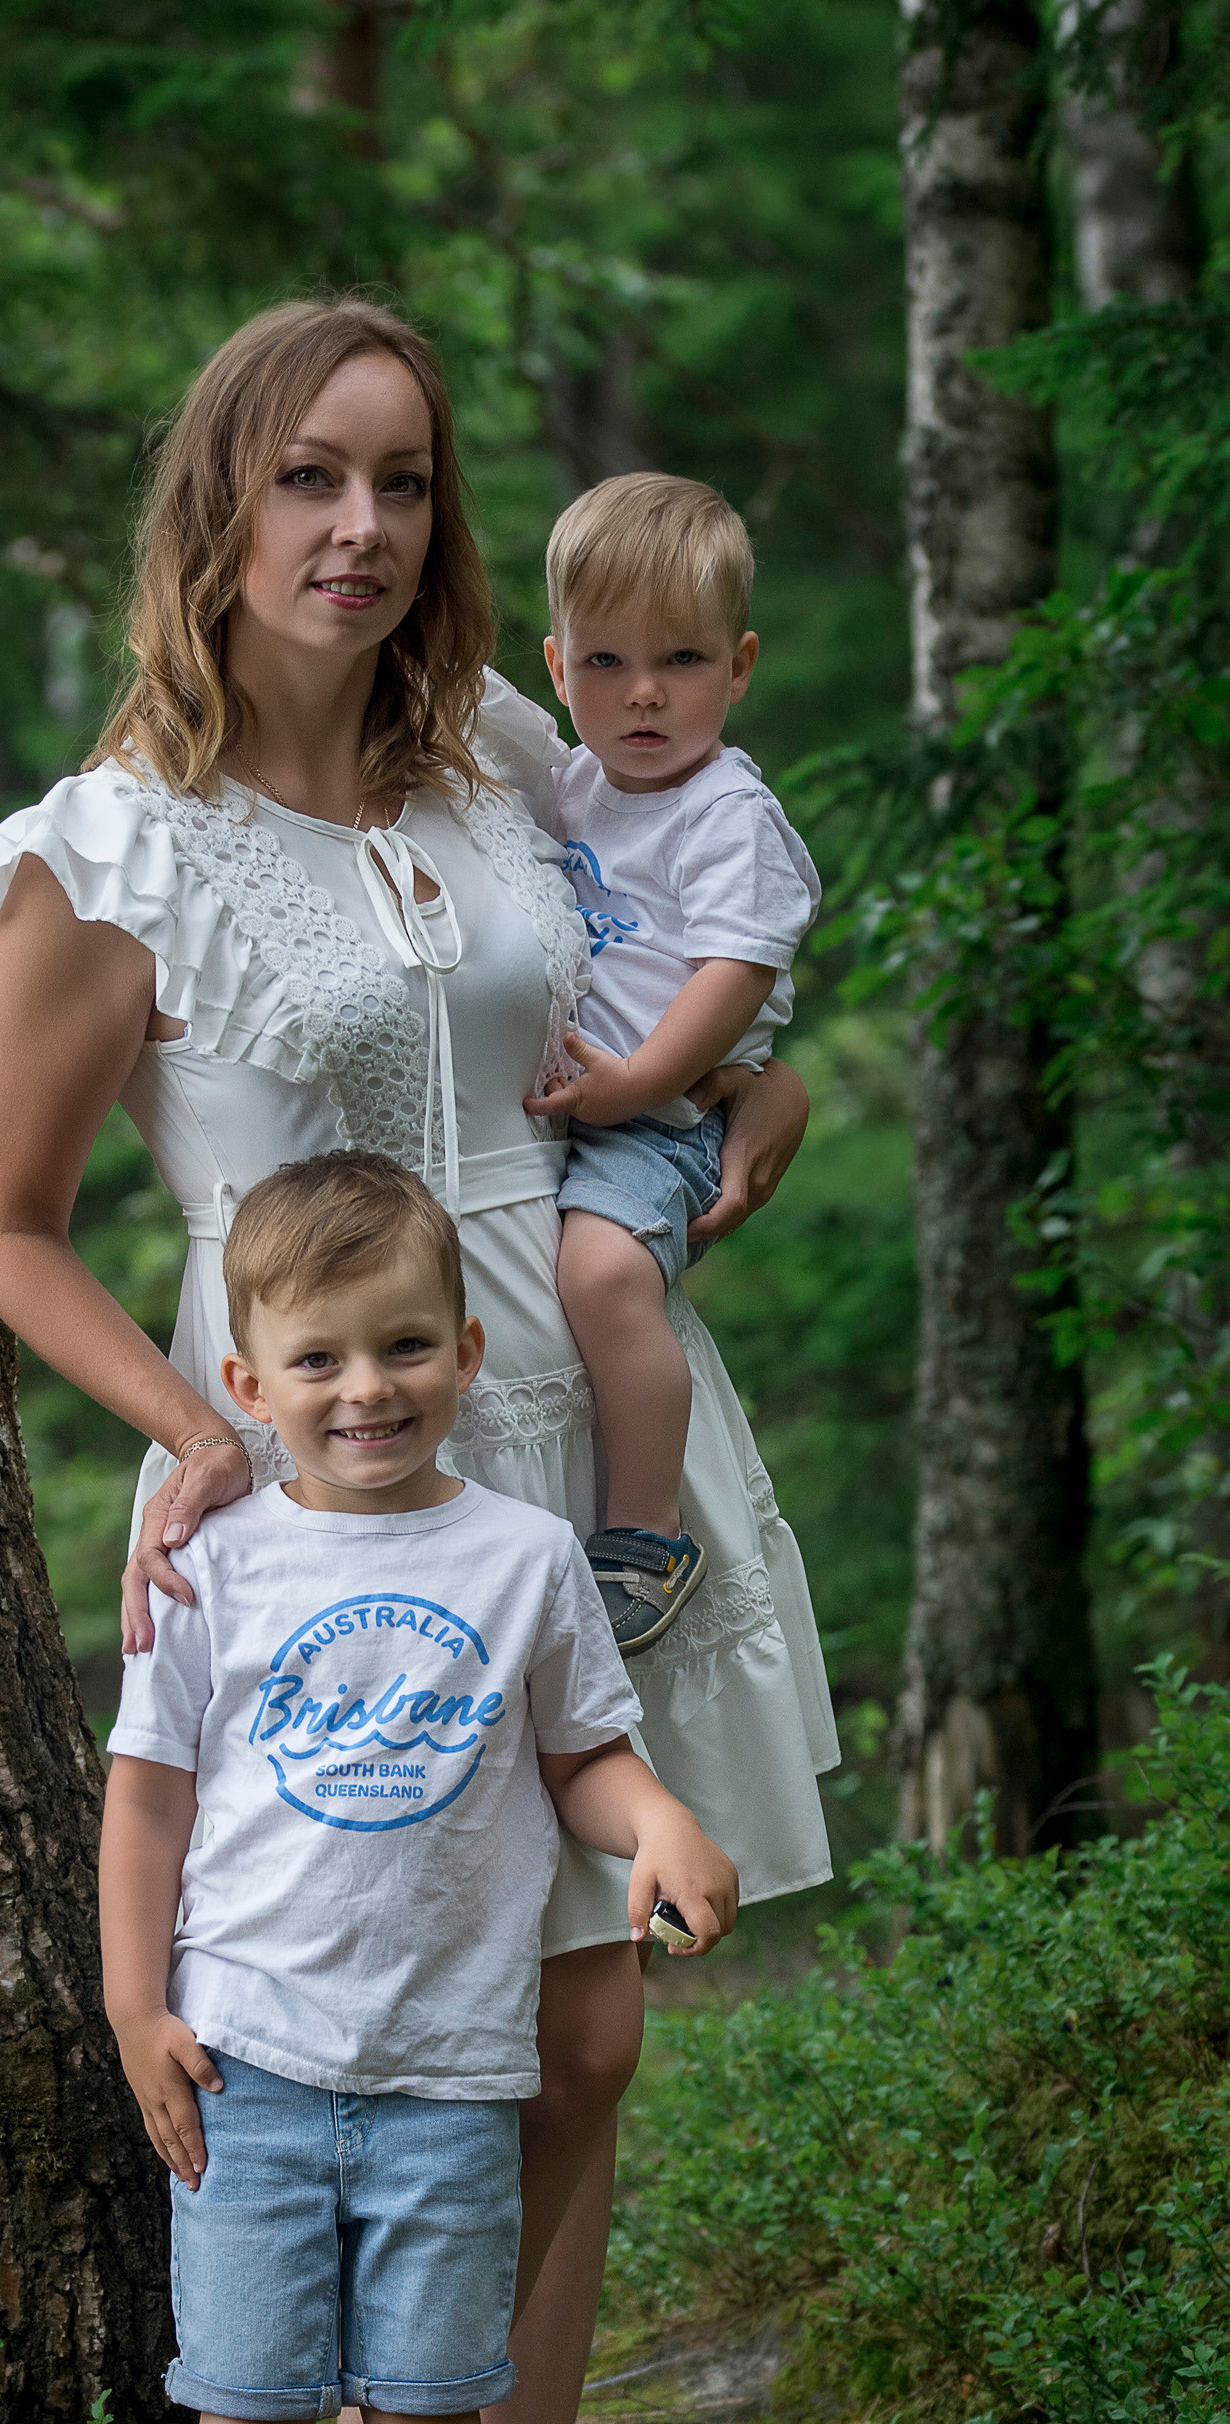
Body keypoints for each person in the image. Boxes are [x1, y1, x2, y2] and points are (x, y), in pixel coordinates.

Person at [0, 293, 836, 2424]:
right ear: (217, 507)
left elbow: (678, 942)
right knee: (341, 2025)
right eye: (310, 478)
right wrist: (189, 1429)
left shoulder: (491, 774)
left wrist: (743, 1108)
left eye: (406, 483)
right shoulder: (114, 843)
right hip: (309, 1491)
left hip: (567, 1443)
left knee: (572, 2035)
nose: (361, 528)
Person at [100, 1153, 736, 2424]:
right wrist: (130, 2006)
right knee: (244, 2395)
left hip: (455, 2062)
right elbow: (148, 1799)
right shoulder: (209, 1567)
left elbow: (582, 1752)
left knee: (433, 2395)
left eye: (398, 1349)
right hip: (249, 2055)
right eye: (315, 1361)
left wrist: (656, 1817)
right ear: (243, 1385)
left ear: (464, 1351)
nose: (361, 1390)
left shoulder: (520, 1557)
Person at [524, 475, 823, 1656]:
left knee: (602, 1279)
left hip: (666, 1118)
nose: (641, 694)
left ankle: (646, 1533)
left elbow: (732, 977)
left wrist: (639, 1084)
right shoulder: (572, 785)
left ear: (739, 666)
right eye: (605, 664)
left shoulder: (726, 812)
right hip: (596, 1106)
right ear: (556, 668)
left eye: (682, 661)